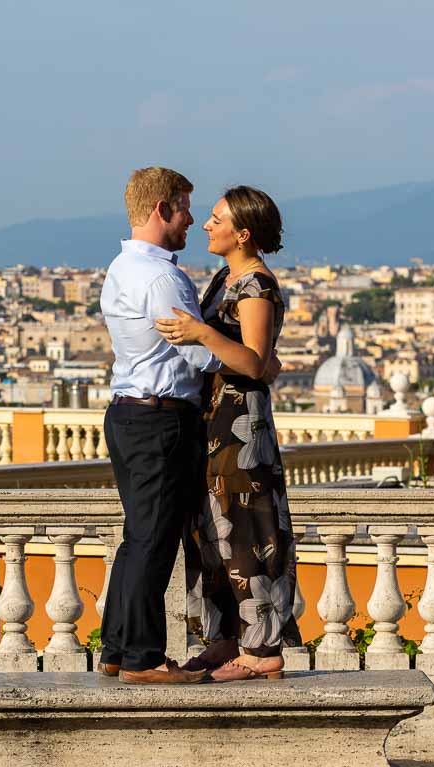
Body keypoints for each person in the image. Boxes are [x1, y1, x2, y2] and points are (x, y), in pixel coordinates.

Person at [155, 185, 300, 681]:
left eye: (218, 219)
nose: (207, 225)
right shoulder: (225, 277)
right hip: (215, 421)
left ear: (243, 233)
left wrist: (203, 335)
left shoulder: (256, 285)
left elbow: (256, 363)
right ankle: (225, 640)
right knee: (212, 530)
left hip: (240, 426)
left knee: (245, 531)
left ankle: (262, 650)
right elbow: (265, 358)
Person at [96, 166, 219, 685]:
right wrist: (252, 359)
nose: (191, 219)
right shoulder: (164, 277)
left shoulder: (121, 268)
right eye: (185, 207)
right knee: (153, 539)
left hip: (128, 413)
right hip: (161, 419)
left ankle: (119, 647)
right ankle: (144, 659)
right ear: (161, 210)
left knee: (137, 537)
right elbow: (199, 356)